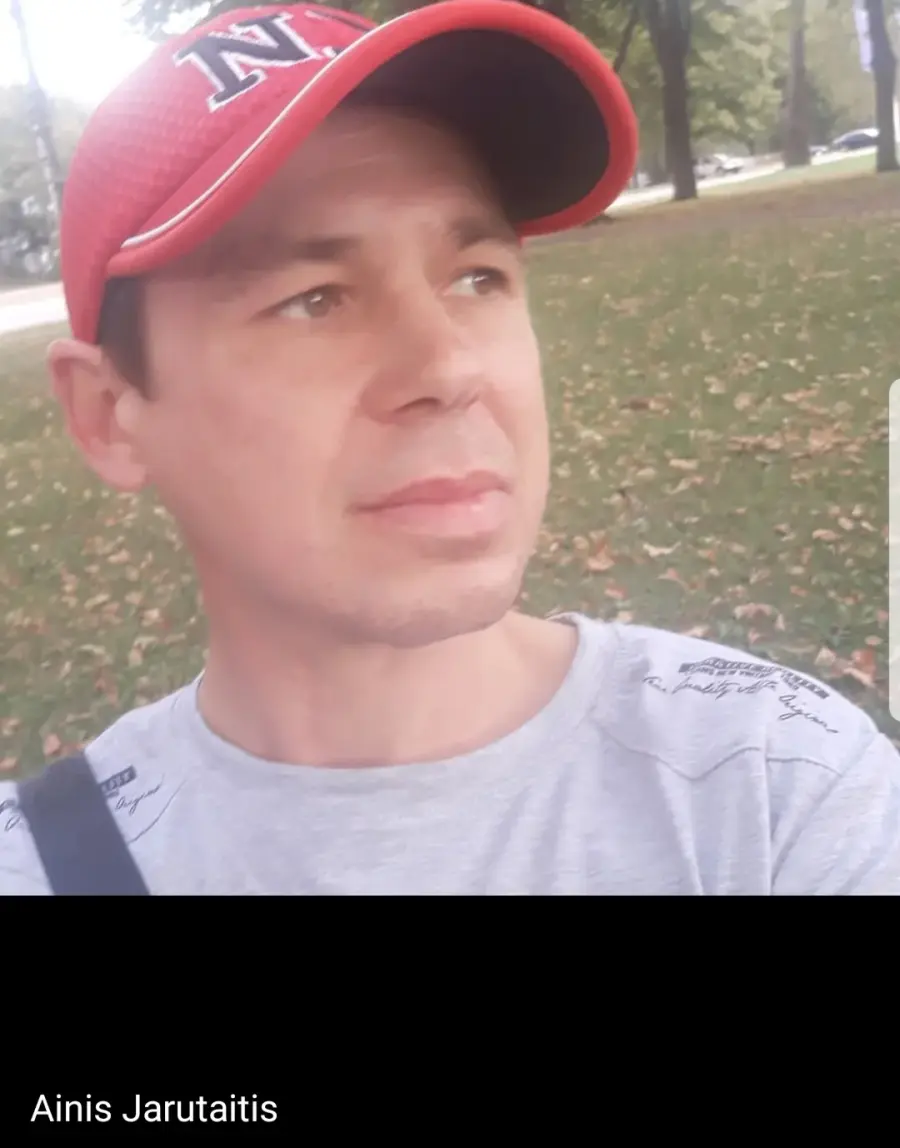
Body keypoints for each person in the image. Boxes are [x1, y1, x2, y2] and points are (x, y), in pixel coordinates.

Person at [1, 1, 898, 895]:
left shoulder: (775, 786)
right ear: (108, 414)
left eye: (477, 278)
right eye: (314, 300)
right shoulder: (43, 864)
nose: (449, 367)